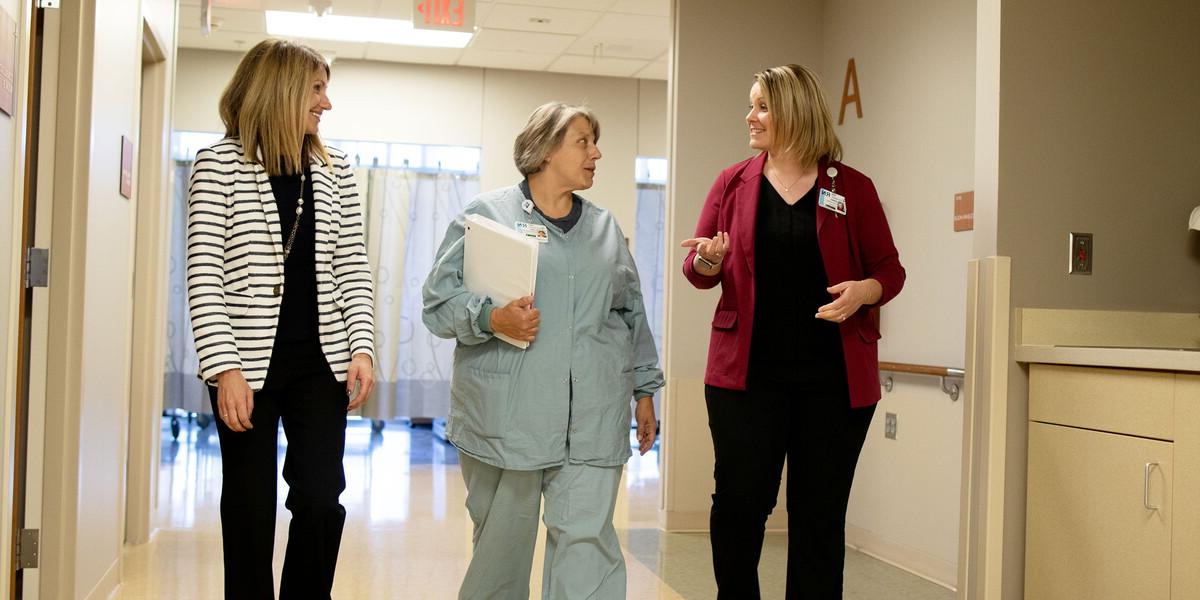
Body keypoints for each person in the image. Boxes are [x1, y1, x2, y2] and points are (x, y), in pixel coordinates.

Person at [679, 64, 905, 599]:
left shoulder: (851, 188)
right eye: (751, 104)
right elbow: (696, 271)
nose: (750, 116)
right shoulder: (733, 183)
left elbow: (890, 270)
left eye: (761, 106)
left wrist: (863, 292)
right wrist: (710, 262)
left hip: (832, 382)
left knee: (819, 516)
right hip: (746, 379)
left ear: (794, 112)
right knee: (739, 506)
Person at [423, 101, 663, 599]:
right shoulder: (487, 217)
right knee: (501, 554)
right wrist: (491, 316)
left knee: (587, 550)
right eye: (583, 142)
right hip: (509, 419)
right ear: (546, 149)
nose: (596, 153)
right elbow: (438, 303)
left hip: (592, 419)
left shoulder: (604, 231)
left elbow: (630, 314)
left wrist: (644, 390)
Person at [186, 39, 376, 599]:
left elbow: (353, 268)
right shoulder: (217, 165)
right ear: (283, 89)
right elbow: (205, 276)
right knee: (248, 506)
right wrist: (224, 370)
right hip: (246, 364)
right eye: (317, 88)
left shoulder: (336, 169)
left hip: (322, 363)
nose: (326, 103)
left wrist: (362, 347)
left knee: (320, 498)